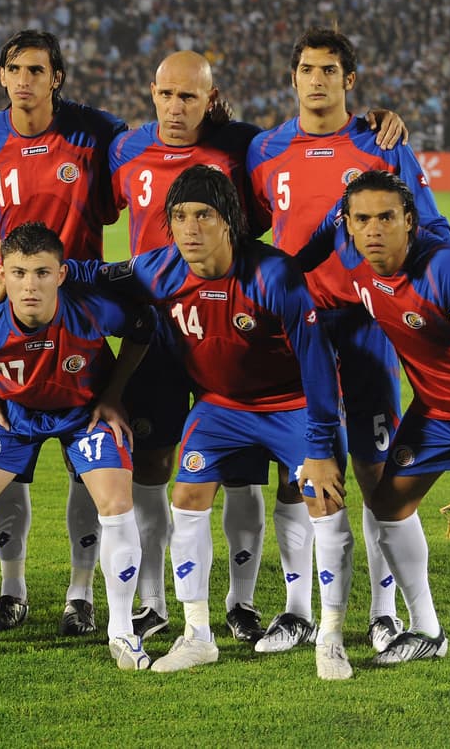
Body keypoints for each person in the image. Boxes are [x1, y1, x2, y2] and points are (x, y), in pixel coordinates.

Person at [70, 165, 349, 679]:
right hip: (221, 407)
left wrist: (320, 447)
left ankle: (329, 636)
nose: (190, 228)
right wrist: (19, 271)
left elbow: (318, 366)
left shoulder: (273, 275)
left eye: (204, 215)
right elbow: (91, 274)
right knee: (187, 498)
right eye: (179, 216)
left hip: (292, 404)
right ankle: (197, 633)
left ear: (231, 223)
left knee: (322, 499)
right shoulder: (160, 269)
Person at [298, 169, 450, 696]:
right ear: (346, 225)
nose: (374, 230)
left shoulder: (447, 268)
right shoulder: (352, 266)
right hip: (437, 405)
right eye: (361, 219)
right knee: (388, 505)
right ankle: (428, 629)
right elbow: (300, 278)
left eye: (386, 217)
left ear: (409, 221)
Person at [247, 26, 450, 657]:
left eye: (330, 70)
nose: (317, 80)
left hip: (365, 326)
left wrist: (435, 290)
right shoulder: (263, 150)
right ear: (292, 77)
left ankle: (388, 613)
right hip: (294, 327)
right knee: (298, 470)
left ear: (348, 80)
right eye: (307, 69)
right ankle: (297, 609)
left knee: (375, 469)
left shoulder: (379, 143)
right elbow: (249, 233)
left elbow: (433, 225)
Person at [0, 29, 128, 637]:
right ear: (1, 76)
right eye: (13, 69)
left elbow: (152, 155)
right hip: (17, 306)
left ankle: (81, 593)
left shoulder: (98, 131)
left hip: (81, 313)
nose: (24, 79)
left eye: (37, 69)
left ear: (57, 77)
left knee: (86, 466)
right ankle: (13, 587)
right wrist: (3, 271)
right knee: (11, 464)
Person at [0, 222, 155, 669]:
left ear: (61, 273)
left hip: (83, 414)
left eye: (41, 272)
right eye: (17, 273)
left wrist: (113, 395)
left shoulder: (92, 309)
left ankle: (121, 632)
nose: (29, 285)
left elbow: (143, 324)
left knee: (116, 505)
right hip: (13, 415)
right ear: (2, 273)